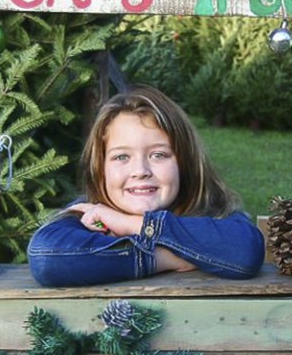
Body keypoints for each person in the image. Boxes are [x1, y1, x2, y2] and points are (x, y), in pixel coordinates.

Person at [28, 85, 264, 287]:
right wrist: (167, 257)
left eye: (159, 155)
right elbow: (47, 256)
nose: (141, 171)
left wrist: (132, 225)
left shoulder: (214, 211)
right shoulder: (90, 216)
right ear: (100, 169)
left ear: (185, 162)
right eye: (121, 157)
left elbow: (245, 252)